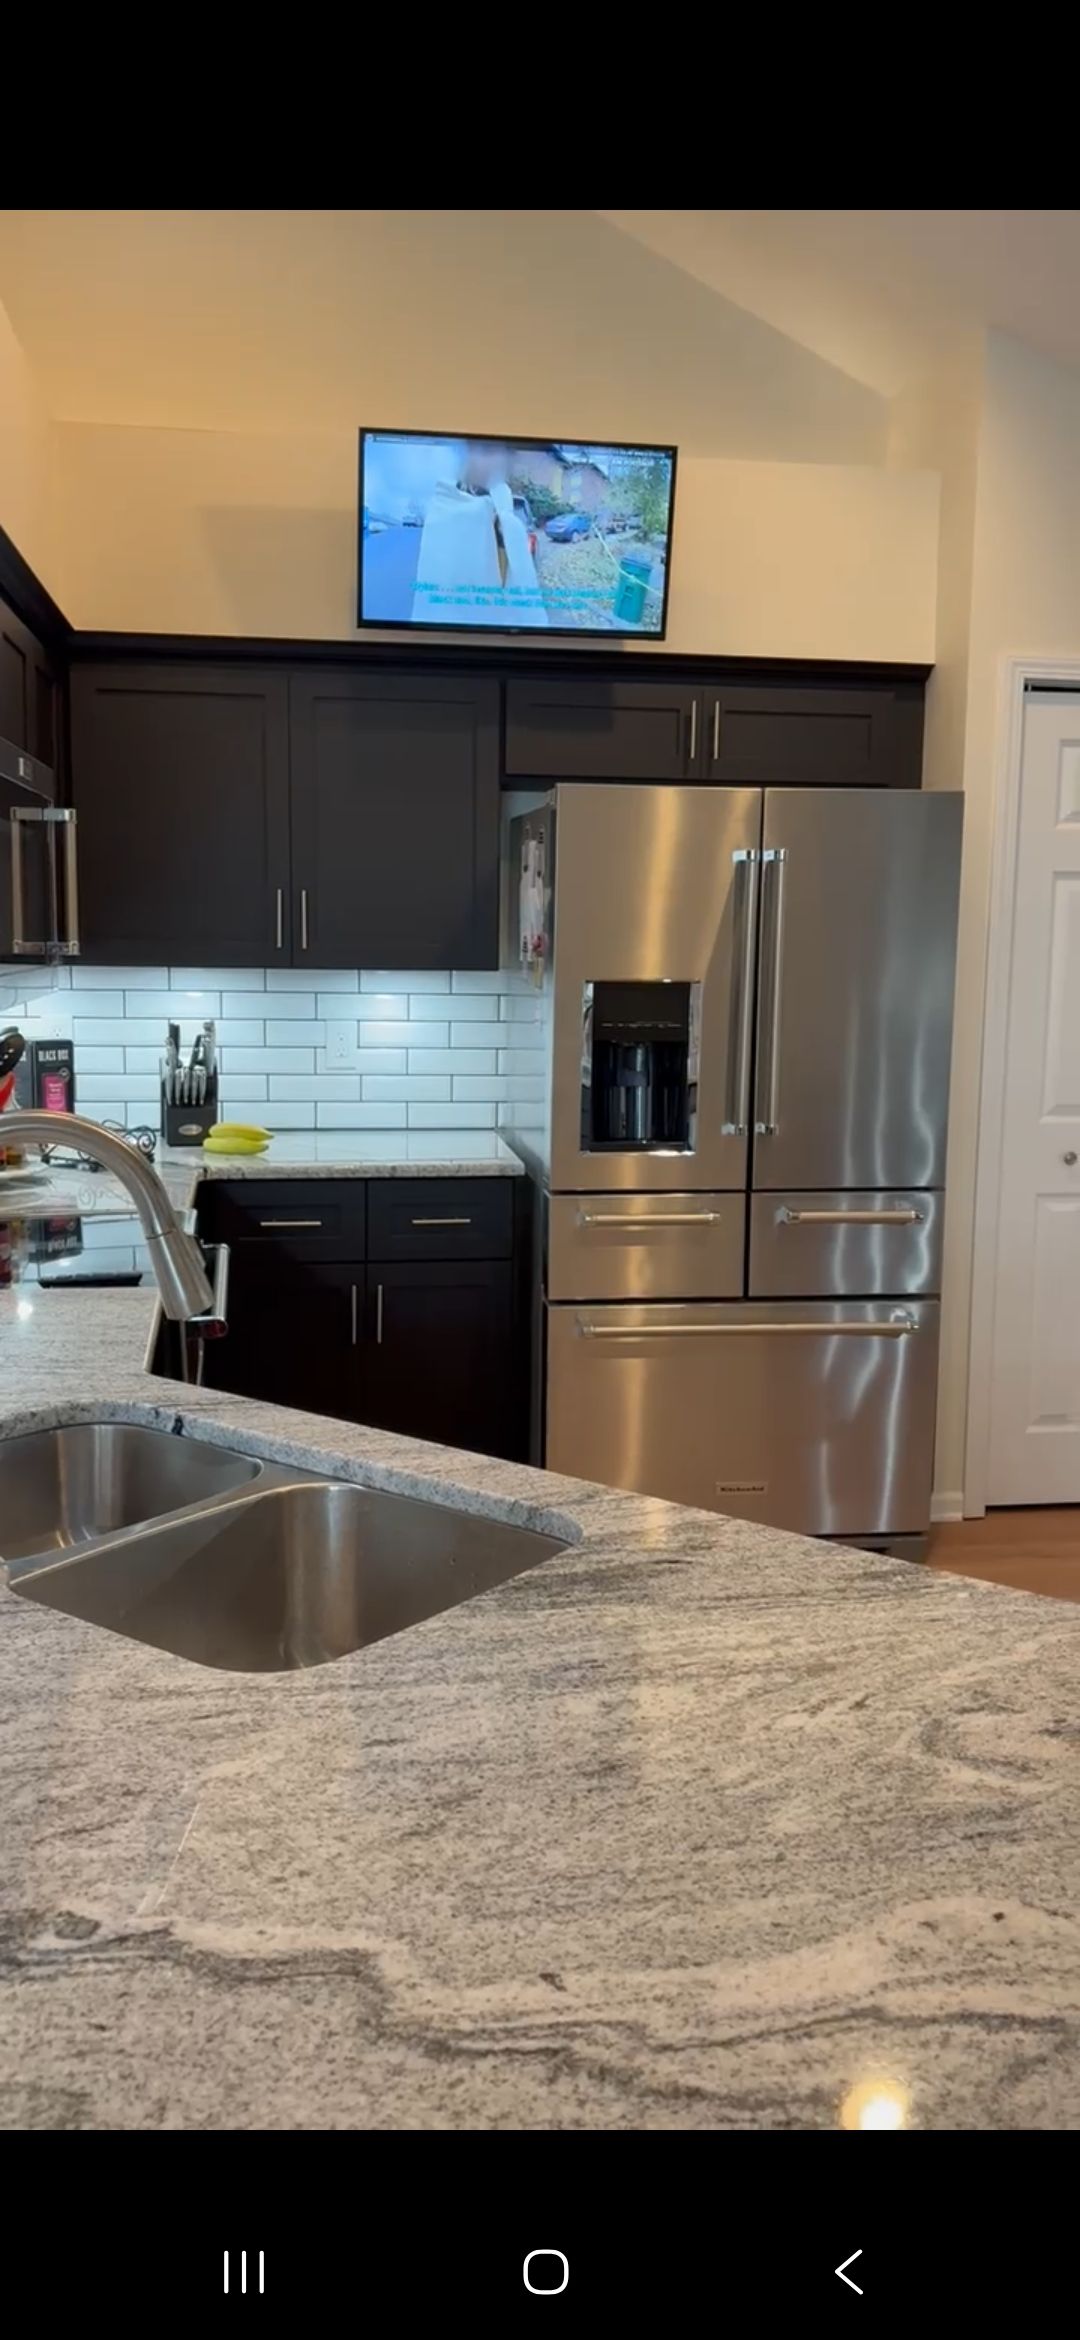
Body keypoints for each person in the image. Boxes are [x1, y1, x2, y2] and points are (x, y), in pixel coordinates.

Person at [412, 441, 547, 628]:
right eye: (485, 451)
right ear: (467, 455)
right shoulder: (444, 513)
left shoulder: (510, 521)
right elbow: (433, 600)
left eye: (504, 453)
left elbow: (526, 603)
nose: (495, 461)